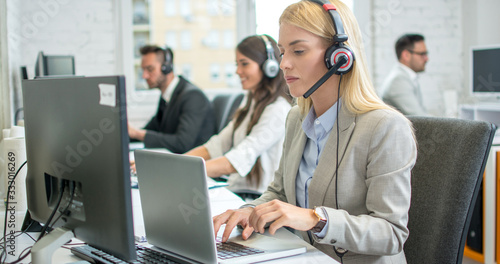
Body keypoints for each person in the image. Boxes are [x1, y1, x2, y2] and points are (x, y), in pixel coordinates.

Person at [212, 1, 417, 263]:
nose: (284, 63)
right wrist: (249, 210)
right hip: (303, 256)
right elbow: (279, 193)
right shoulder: (296, 117)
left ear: (340, 57)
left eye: (298, 51)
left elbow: (391, 233)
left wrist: (314, 218)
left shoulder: (385, 127)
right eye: (282, 52)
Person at [185, 35, 292, 193]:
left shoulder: (278, 110)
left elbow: (241, 157)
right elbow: (217, 145)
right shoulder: (250, 101)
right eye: (237, 64)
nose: (237, 71)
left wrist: (187, 172)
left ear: (269, 67)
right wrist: (178, 163)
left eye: (244, 64)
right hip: (236, 189)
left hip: (255, 197)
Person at [128, 45, 215, 153]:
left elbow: (182, 143)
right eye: (143, 70)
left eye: (150, 69)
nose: (144, 76)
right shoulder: (167, 97)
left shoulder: (193, 96)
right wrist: (126, 133)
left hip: (191, 164)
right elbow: (151, 130)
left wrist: (137, 133)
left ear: (166, 68)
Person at [380, 34, 430, 115]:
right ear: (406, 55)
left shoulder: (407, 77)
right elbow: (421, 119)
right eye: (422, 54)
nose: (427, 59)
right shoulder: (398, 81)